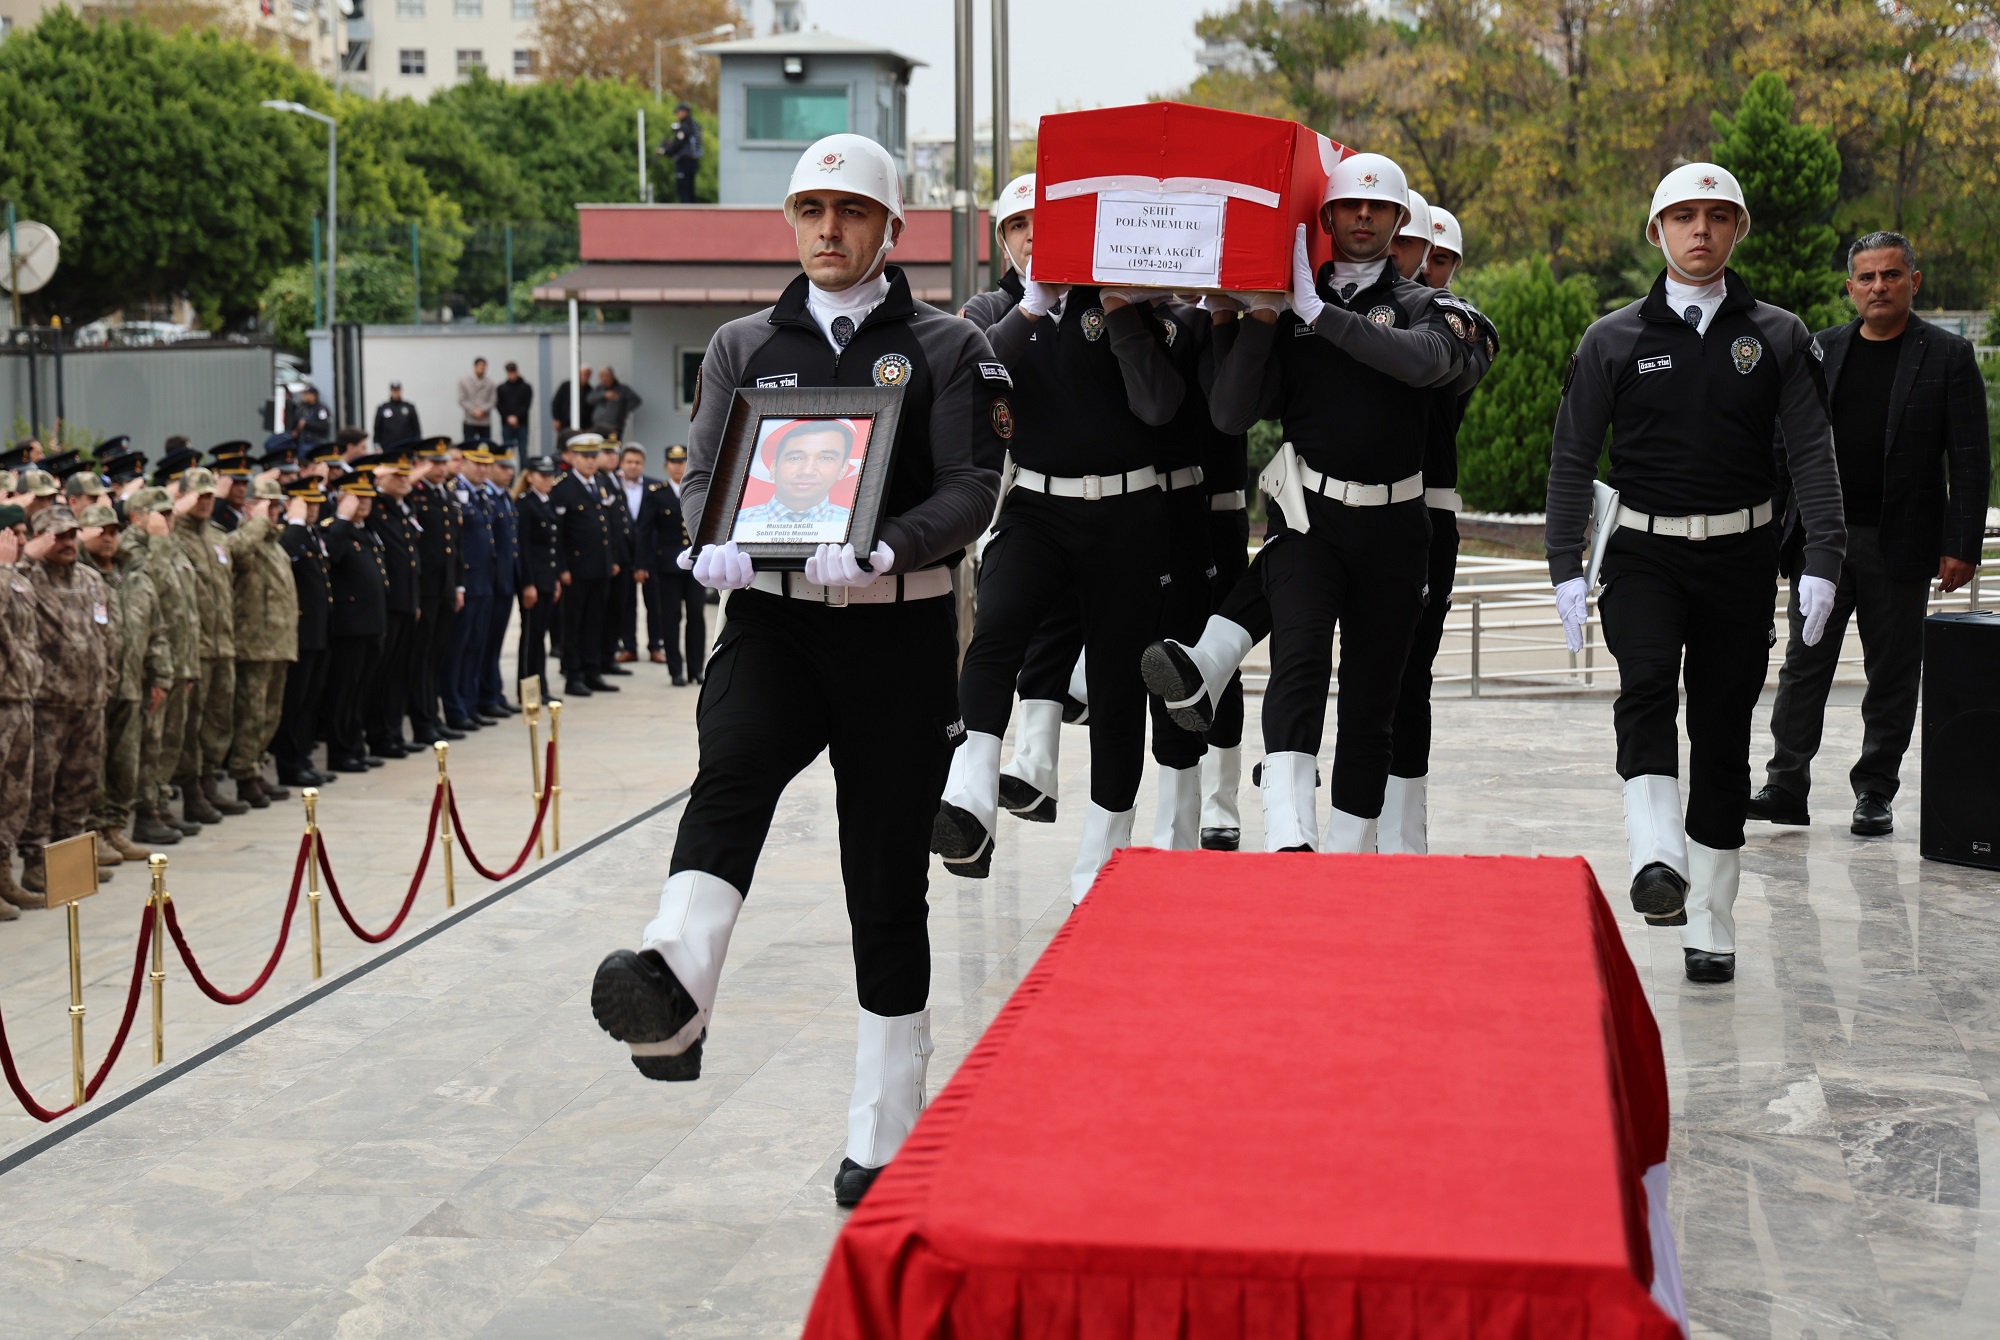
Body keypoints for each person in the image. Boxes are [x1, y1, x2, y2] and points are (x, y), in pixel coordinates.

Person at [589, 133, 1007, 1209]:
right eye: (810, 209)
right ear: (789, 219)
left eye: (850, 211)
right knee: (729, 771)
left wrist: (890, 545)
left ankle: (883, 1136)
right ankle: (671, 984)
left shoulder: (945, 344)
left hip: (897, 638)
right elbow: (703, 473)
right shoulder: (739, 345)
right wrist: (703, 537)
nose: (828, 229)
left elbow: (972, 489)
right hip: (773, 620)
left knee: (883, 888)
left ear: (888, 227)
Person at [1546, 162, 1845, 985]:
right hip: (1643, 553)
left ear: (1737, 230)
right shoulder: (1611, 339)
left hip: (1742, 557)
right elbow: (1572, 457)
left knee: (1720, 732)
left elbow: (1814, 454)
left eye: (1717, 216)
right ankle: (1656, 860)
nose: (1701, 230)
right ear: (1657, 233)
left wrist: (1823, 556)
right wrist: (1564, 564)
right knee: (1644, 686)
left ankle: (1709, 921)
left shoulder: (1781, 335)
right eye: (1684, 217)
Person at [1204, 153, 1470, 856]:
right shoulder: (1290, 302)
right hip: (1308, 520)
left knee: (1372, 702)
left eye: (1378, 209)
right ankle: (1290, 835)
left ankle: (1353, 854)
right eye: (1349, 207)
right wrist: (1253, 315)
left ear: (1398, 220)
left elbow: (1423, 361)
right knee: (1299, 664)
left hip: (1396, 527)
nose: (1362, 217)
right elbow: (1233, 413)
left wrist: (1321, 316)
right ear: (1324, 219)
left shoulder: (1425, 304)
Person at [935, 167, 1185, 897]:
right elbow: (963, 379)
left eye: (1045, 225)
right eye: (1018, 228)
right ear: (1003, 240)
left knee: (1116, 688)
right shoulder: (992, 309)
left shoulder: (1130, 298)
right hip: (1037, 504)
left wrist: (1124, 314)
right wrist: (1031, 311)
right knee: (996, 632)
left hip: (1129, 512)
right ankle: (973, 786)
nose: (1033, 239)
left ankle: (1103, 857)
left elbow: (1161, 408)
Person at [1748, 231, 1991, 837]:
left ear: (1914, 281)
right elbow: (1784, 447)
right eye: (1866, 278)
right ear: (1849, 288)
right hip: (1822, 543)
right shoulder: (1822, 351)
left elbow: (1969, 459)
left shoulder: (1947, 357)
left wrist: (1961, 545)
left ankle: (1875, 791)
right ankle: (1785, 785)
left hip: (1900, 544)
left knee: (1893, 673)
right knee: (1804, 666)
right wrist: (1769, 532)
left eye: (1890, 275)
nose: (1878, 287)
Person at [16, 507, 118, 895]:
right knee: (41, 786)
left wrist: (107, 678)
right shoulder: (28, 577)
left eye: (72, 536)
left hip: (89, 701)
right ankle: (36, 863)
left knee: (81, 783)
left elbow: (106, 631)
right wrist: (28, 555)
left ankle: (71, 862)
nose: (68, 543)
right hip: (47, 703)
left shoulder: (91, 579)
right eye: (58, 537)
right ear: (41, 539)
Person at [80, 502, 169, 866]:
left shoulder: (134, 575)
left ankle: (115, 826)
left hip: (131, 685)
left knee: (125, 761)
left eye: (114, 531)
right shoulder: (78, 576)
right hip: (91, 690)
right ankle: (93, 831)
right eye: (100, 530)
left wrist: (161, 673)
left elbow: (157, 630)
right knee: (94, 763)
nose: (108, 537)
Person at [170, 466, 248, 822]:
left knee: (219, 718)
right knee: (191, 725)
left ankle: (210, 781)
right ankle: (191, 791)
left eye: (208, 495)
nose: (204, 502)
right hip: (194, 648)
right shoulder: (174, 538)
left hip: (223, 644)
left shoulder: (218, 537)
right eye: (197, 495)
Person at [220, 476, 298, 807]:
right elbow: (235, 551)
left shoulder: (274, 545)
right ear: (251, 507)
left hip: (277, 643)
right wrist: (258, 520)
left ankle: (255, 768)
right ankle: (244, 774)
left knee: (269, 714)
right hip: (253, 643)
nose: (276, 512)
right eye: (270, 505)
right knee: (250, 713)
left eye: (278, 506)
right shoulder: (241, 538)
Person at [320, 470, 389, 772]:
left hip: (372, 624)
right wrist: (342, 518)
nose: (363, 503)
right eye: (356, 497)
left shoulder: (368, 530)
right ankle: (340, 751)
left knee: (363, 690)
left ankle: (356, 747)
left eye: (367, 497)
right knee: (344, 691)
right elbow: (332, 555)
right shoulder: (336, 529)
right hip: (349, 626)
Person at [272, 477, 334, 789]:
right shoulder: (289, 532)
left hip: (318, 630)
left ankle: (304, 758)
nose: (314, 508)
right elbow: (286, 558)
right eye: (306, 502)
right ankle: (289, 764)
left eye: (316, 501)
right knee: (294, 702)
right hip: (299, 630)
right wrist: (294, 520)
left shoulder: (312, 532)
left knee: (310, 700)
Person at [550, 433, 620, 697]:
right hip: (576, 569)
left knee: (595, 621)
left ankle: (592, 671)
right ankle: (574, 673)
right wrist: (563, 568)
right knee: (573, 623)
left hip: (599, 567)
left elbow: (608, 527)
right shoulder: (563, 487)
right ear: (573, 457)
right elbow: (558, 533)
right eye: (585, 457)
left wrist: (611, 559)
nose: (591, 462)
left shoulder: (600, 483)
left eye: (594, 457)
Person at [364, 452, 423, 759]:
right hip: (387, 605)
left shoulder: (401, 508)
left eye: (406, 474)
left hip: (405, 602)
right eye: (397, 476)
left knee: (400, 673)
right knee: (382, 675)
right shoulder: (377, 507)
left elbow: (410, 558)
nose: (405, 480)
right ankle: (380, 736)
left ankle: (395, 732)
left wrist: (414, 600)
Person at [406, 437, 463, 747]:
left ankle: (433, 716)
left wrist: (457, 585)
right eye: (433, 463)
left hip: (444, 587)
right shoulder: (415, 495)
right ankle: (422, 721)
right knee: (421, 658)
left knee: (435, 656)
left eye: (443, 462)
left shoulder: (446, 495)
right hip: (424, 588)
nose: (440, 469)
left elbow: (454, 546)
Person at [0, 505, 41, 911]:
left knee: (15, 794)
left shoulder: (16, 576)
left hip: (20, 696)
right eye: (13, 533)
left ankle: (4, 874)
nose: (21, 542)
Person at [443, 443, 498, 730]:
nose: (482, 469)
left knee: (477, 645)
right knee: (459, 647)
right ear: (464, 464)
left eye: (486, 464)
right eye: (476, 463)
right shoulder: (454, 493)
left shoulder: (484, 494)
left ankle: (471, 702)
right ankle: (455, 707)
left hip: (484, 581)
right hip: (466, 580)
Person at [731, 421, 859, 538]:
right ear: (773, 467)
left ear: (843, 468)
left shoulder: (856, 526)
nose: (807, 471)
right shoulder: (736, 522)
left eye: (826, 458)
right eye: (795, 458)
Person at [611, 445, 668, 664]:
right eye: (629, 462)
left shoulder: (654, 487)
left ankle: (655, 646)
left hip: (651, 554)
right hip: (623, 553)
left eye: (637, 462)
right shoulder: (613, 487)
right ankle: (629, 647)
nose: (633, 466)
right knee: (626, 603)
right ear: (622, 464)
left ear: (643, 465)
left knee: (654, 603)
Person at [656, 444, 705, 685]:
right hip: (667, 566)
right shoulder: (657, 493)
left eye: (682, 461)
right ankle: (675, 669)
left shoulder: (698, 491)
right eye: (673, 462)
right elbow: (647, 532)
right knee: (671, 616)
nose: (678, 466)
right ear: (666, 466)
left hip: (694, 564)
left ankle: (696, 669)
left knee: (696, 614)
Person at [515, 455, 562, 691]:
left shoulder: (546, 501)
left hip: (546, 578)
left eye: (549, 475)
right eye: (542, 476)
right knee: (531, 638)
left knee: (540, 636)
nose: (547, 480)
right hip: (534, 580)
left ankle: (541, 686)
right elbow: (524, 548)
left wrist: (553, 580)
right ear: (530, 477)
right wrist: (528, 584)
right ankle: (528, 690)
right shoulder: (525, 504)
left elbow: (551, 547)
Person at [478, 450, 520, 716]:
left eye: (510, 468)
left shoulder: (504, 497)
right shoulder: (488, 496)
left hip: (504, 581)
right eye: (502, 467)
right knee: (483, 644)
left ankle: (493, 692)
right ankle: (484, 697)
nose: (508, 472)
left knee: (495, 644)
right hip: (490, 581)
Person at [661, 101, 703, 203]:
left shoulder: (685, 126)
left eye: (679, 112)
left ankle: (686, 215)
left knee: (683, 190)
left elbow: (678, 144)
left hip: (685, 161)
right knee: (690, 190)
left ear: (684, 112)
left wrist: (665, 151)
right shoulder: (695, 125)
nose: (677, 114)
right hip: (694, 161)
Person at [589, 366, 643, 441]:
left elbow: (636, 400)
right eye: (600, 375)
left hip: (614, 426)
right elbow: (589, 399)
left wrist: (624, 410)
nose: (601, 378)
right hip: (598, 426)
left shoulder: (622, 389)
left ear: (611, 376)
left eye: (603, 375)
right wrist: (603, 395)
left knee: (613, 446)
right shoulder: (598, 389)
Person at [497, 363, 534, 455]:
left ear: (517, 371)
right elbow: (499, 405)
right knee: (507, 451)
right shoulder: (502, 388)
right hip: (507, 423)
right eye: (510, 372)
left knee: (523, 450)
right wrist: (508, 418)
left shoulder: (526, 387)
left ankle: (523, 469)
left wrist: (517, 417)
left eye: (513, 372)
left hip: (522, 423)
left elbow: (526, 405)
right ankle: (508, 469)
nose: (512, 375)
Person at [373, 381, 423, 448]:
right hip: (388, 447)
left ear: (401, 391)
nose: (396, 392)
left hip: (406, 446)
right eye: (394, 390)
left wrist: (417, 443)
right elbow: (377, 428)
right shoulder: (383, 408)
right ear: (390, 391)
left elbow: (416, 427)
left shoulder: (409, 407)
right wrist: (376, 444)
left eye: (397, 390)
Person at [459, 358, 497, 443]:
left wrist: (482, 410)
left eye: (483, 367)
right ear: (474, 367)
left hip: (484, 420)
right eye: (480, 366)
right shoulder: (464, 381)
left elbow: (493, 400)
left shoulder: (491, 382)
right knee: (468, 447)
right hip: (470, 420)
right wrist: (473, 410)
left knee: (485, 447)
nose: (482, 369)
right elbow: (462, 399)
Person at [551, 365, 593, 438]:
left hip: (582, 425)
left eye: (587, 375)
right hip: (565, 423)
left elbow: (590, 409)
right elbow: (556, 402)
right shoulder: (566, 386)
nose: (585, 377)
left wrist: (589, 425)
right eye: (583, 375)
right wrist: (556, 418)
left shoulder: (589, 390)